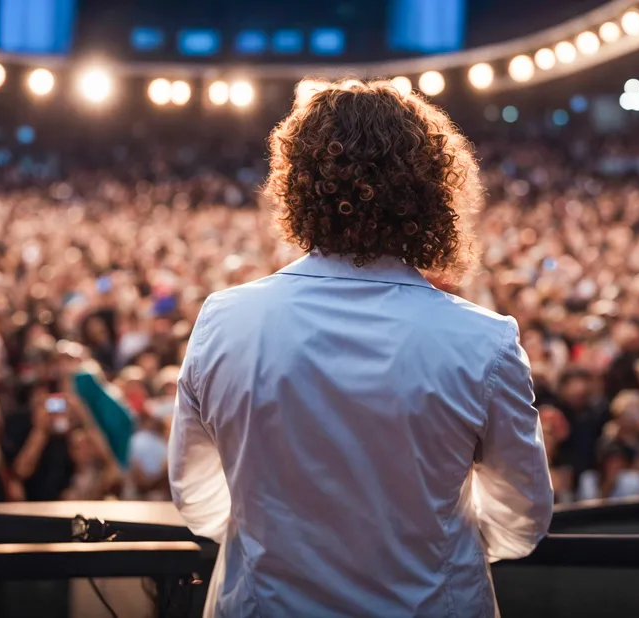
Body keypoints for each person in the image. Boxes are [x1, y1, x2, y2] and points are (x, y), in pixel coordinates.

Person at [169, 80, 553, 618]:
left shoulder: (225, 321)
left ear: (297, 186)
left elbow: (197, 495)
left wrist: (282, 543)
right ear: (431, 192)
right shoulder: (483, 340)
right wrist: (435, 550)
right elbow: (523, 515)